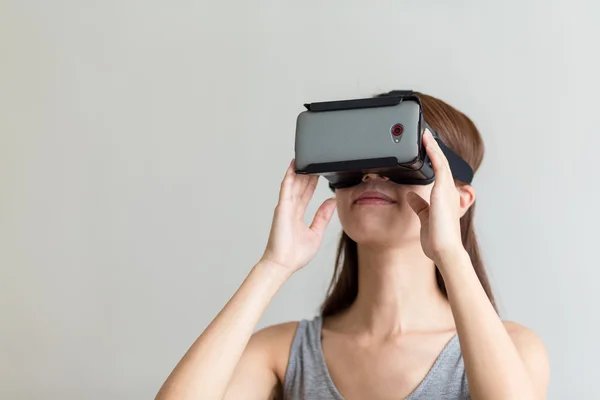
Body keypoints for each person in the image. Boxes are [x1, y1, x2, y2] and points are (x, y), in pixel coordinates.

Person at [155, 92, 550, 400]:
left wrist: (451, 254)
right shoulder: (284, 353)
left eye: (403, 163)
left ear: (459, 200)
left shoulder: (514, 349)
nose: (372, 175)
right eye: (353, 165)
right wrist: (273, 267)